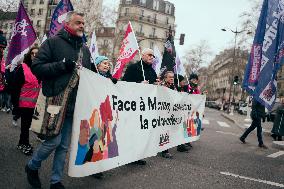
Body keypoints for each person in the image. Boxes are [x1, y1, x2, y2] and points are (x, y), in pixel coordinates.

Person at [25, 11, 97, 189]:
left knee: (64, 146)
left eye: (83, 23)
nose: (82, 26)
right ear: (67, 24)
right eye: (78, 22)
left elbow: (92, 75)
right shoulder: (53, 42)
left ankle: (55, 181)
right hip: (55, 102)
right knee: (53, 142)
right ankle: (32, 166)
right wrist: (61, 65)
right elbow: (37, 67)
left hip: (75, 105)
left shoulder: (85, 50)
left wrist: (108, 80)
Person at [122, 48, 159, 165]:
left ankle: (136, 156)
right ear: (142, 55)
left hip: (146, 108)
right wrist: (139, 85)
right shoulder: (134, 67)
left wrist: (156, 85)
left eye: (153, 56)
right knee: (131, 132)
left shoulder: (152, 72)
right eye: (149, 55)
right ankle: (126, 155)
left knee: (140, 132)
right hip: (133, 105)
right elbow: (124, 84)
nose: (151, 57)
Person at [14, 46, 40, 155]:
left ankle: (21, 143)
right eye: (32, 53)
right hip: (23, 104)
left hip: (33, 104)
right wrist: (16, 105)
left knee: (27, 125)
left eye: (37, 54)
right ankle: (25, 144)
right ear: (29, 55)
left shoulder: (39, 69)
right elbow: (16, 87)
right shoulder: (22, 67)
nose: (34, 56)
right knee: (25, 126)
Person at [159, 71, 175, 158]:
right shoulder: (161, 85)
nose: (172, 78)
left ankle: (164, 149)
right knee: (163, 130)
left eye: (173, 77)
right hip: (161, 112)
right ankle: (165, 151)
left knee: (167, 131)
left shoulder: (174, 87)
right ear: (165, 78)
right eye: (170, 77)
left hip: (169, 112)